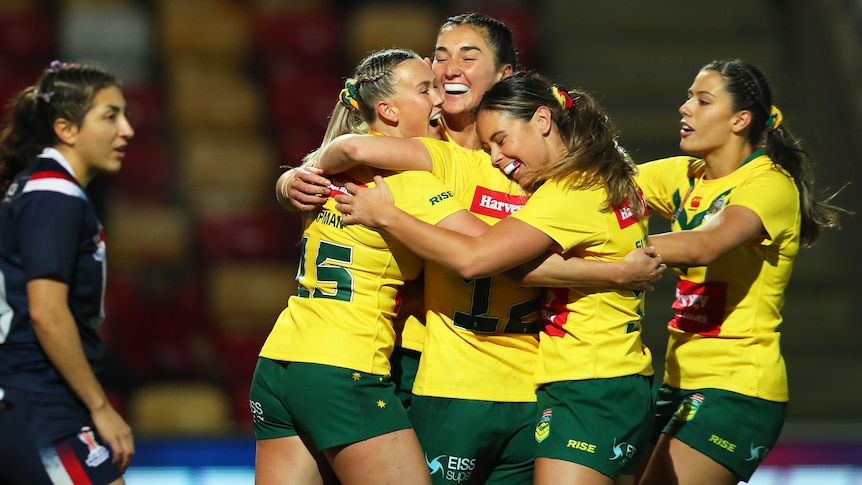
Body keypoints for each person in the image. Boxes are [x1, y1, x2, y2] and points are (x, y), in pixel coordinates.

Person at [280, 14, 663, 485]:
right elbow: (355, 153)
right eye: (440, 57)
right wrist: (294, 178)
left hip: (527, 377)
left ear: (506, 77)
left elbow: (496, 254)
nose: (449, 68)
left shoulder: (539, 172)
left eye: (468, 55)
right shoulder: (430, 151)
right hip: (416, 359)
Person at [249, 48, 495, 485]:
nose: (439, 99)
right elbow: (490, 251)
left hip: (279, 363)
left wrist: (290, 178)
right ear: (387, 110)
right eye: (425, 90)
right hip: (344, 366)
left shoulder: (319, 176)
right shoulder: (405, 182)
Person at [634, 59, 847, 485]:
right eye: (688, 97)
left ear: (740, 120)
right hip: (677, 382)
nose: (684, 108)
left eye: (702, 100)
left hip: (737, 388)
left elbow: (705, 244)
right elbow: (593, 188)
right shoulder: (685, 175)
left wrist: (612, 253)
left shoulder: (768, 184)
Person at [0, 60, 135, 484]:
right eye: (110, 116)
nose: (126, 129)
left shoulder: (36, 185)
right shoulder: (53, 195)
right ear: (67, 129)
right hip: (38, 403)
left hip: (29, 399)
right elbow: (46, 312)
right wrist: (100, 407)